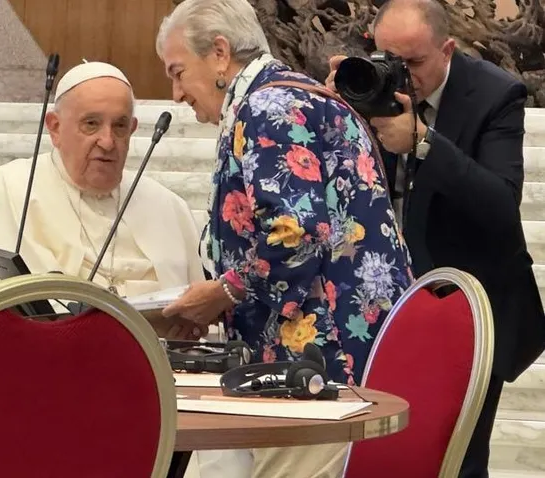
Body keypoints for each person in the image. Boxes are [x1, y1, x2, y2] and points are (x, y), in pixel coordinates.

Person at [155, 0, 413, 476]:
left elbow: (295, 235)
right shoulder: (287, 95)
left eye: (178, 72)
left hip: (320, 361)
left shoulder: (268, 107)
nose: (176, 93)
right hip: (337, 352)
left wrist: (223, 292)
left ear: (219, 53)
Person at [325, 1, 545, 476]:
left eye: (414, 62)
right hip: (381, 309)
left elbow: (500, 204)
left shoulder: (495, 93)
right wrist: (335, 112)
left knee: (457, 462)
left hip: (467, 306)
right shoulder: (365, 85)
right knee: (381, 456)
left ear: (447, 50)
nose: (401, 74)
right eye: (389, 58)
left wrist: (424, 142)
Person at [0, 61, 206, 310]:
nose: (107, 141)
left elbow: (199, 318)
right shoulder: (4, 192)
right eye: (91, 124)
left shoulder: (169, 208)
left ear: (132, 129)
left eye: (119, 126)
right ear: (55, 128)